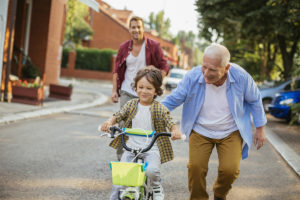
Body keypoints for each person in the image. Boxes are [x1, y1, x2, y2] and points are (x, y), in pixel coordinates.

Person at [161, 43, 267, 200]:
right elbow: (173, 99)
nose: (206, 73)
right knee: (195, 168)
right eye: (204, 67)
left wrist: (260, 128)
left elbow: (255, 100)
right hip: (200, 129)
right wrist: (147, 110)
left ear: (226, 68)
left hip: (230, 130)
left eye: (212, 70)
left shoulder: (241, 77)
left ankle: (219, 194)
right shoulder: (193, 76)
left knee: (230, 170)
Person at [101, 66, 182, 200]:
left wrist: (175, 130)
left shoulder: (159, 108)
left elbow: (169, 120)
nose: (144, 91)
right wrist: (110, 122)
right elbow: (119, 115)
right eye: (141, 87)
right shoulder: (131, 104)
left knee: (151, 171)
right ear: (136, 87)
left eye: (149, 88)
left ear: (156, 90)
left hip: (151, 148)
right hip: (131, 146)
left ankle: (156, 185)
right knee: (120, 179)